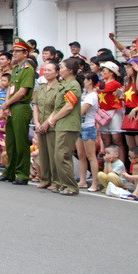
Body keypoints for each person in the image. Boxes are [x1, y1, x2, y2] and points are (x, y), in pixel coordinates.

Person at [38, 58, 83, 195]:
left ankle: (70, 186)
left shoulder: (73, 85)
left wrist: (53, 119)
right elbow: (58, 107)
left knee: (62, 155)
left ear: (70, 70)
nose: (61, 69)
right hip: (61, 124)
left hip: (68, 124)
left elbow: (69, 106)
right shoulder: (65, 85)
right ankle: (64, 184)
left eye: (62, 67)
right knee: (58, 155)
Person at [0, 38, 35, 185]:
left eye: (18, 51)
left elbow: (22, 92)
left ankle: (22, 174)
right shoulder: (16, 69)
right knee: (10, 142)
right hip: (11, 107)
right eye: (14, 51)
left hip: (21, 106)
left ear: (25, 53)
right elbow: (11, 90)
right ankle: (9, 172)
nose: (15, 53)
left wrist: (7, 104)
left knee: (21, 143)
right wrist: (7, 106)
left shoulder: (27, 69)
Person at [32, 61, 60, 190]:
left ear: (57, 72)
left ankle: (56, 180)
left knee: (53, 152)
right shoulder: (42, 87)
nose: (47, 72)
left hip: (52, 124)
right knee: (43, 153)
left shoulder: (60, 88)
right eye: (45, 70)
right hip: (40, 123)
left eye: (50, 70)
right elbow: (36, 105)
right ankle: (45, 178)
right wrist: (37, 122)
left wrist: (47, 122)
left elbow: (57, 108)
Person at [76, 72, 100, 192]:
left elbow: (82, 111)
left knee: (91, 156)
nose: (84, 82)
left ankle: (95, 183)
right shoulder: (84, 94)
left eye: (85, 80)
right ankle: (82, 180)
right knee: (81, 155)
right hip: (80, 126)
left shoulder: (92, 96)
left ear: (90, 81)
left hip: (88, 126)